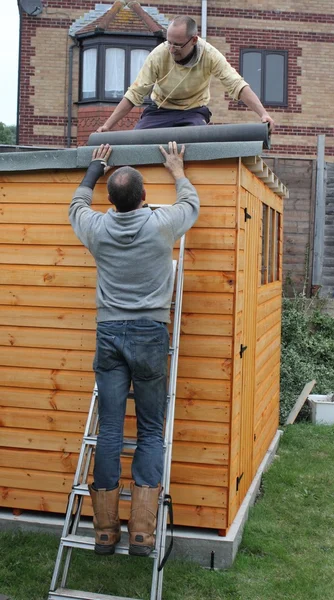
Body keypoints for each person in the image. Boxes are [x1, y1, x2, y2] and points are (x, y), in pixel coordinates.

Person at [68, 141, 200, 557]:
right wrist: (177, 170)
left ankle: (105, 533)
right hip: (149, 333)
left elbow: (76, 206)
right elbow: (192, 203)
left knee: (108, 430)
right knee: (149, 430)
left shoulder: (96, 228)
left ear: (111, 199)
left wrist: (94, 169)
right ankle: (142, 534)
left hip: (108, 334)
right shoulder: (161, 223)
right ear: (144, 198)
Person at [96, 15, 274, 133]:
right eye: (169, 42)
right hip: (160, 110)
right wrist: (107, 125)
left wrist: (263, 114)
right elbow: (135, 93)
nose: (172, 49)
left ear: (194, 40)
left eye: (178, 45)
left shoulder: (209, 55)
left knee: (198, 141)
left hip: (193, 112)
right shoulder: (159, 55)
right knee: (137, 141)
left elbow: (237, 84)